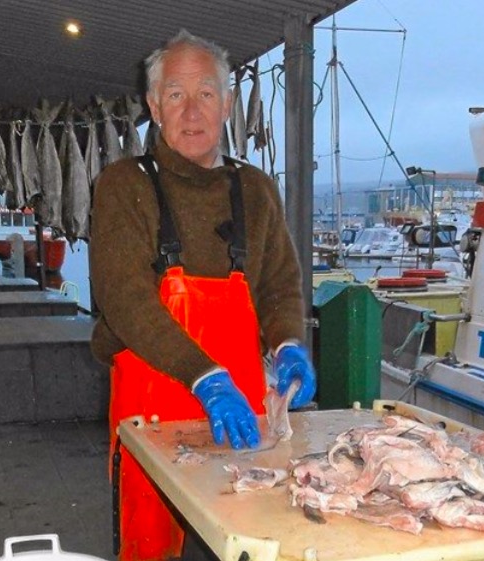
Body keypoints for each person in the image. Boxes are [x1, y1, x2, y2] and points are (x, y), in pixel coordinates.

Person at [88, 30, 316, 561]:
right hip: (152, 413)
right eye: (175, 95)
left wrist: (287, 343)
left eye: (206, 94)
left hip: (241, 416)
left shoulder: (256, 188)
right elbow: (124, 299)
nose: (192, 112)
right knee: (150, 549)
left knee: (248, 540)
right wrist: (205, 378)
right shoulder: (124, 184)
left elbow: (280, 284)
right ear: (154, 107)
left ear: (227, 104)